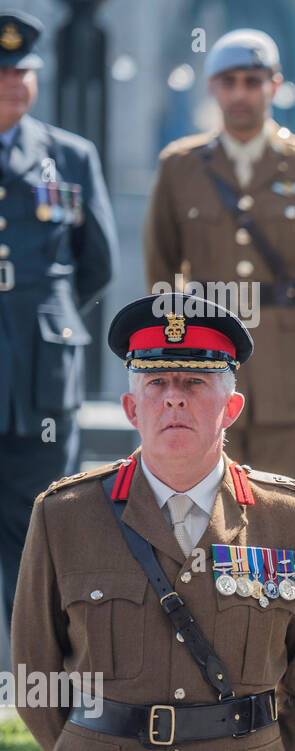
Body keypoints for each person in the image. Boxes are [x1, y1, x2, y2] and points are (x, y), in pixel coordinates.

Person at [12, 292, 295, 751]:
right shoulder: (65, 516)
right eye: (157, 383)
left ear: (232, 406)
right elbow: (34, 677)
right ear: (130, 407)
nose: (173, 398)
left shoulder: (293, 521)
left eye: (194, 384)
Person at [142, 29, 295, 493]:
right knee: (206, 510)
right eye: (230, 81)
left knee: (290, 511)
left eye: (253, 81)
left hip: (293, 373)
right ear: (213, 87)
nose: (241, 93)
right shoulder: (180, 166)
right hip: (206, 366)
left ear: (274, 86)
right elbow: (160, 272)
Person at [0, 10, 116, 635]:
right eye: (2, 71)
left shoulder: (69, 157)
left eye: (23, 70)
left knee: (43, 541)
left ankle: (43, 695)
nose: (13, 81)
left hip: (42, 388)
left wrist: (51, 319)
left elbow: (96, 265)